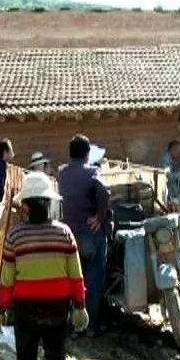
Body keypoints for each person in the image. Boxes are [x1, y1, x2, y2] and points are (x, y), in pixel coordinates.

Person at [0, 172, 89, 360]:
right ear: (49, 203)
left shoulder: (15, 237)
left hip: (25, 310)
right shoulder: (65, 234)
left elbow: (7, 280)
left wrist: (0, 309)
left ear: (25, 206)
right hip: (58, 310)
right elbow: (76, 274)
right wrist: (80, 305)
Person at [58, 134, 110, 335]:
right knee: (94, 279)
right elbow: (105, 192)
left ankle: (73, 325)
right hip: (90, 234)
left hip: (69, 235)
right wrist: (99, 216)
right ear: (88, 154)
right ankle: (92, 325)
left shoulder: (62, 173)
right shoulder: (93, 172)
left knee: (73, 280)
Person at [0, 139, 15, 215]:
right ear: (5, 152)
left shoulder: (1, 166)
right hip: (4, 210)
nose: (13, 154)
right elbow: (1, 188)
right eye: (11, 151)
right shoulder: (0, 167)